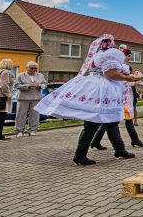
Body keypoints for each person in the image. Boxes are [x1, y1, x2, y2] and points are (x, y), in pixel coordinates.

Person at [35, 35, 136, 165]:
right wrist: (128, 78)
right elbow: (110, 73)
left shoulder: (98, 55)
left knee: (111, 121)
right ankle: (80, 155)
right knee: (92, 123)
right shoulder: (107, 55)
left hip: (95, 85)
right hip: (102, 87)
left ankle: (120, 149)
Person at [91, 51, 143, 149]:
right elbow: (125, 81)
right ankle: (133, 141)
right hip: (122, 97)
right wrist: (138, 79)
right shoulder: (119, 67)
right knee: (122, 120)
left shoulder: (119, 66)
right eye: (128, 56)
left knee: (109, 122)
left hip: (121, 96)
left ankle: (96, 141)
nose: (129, 58)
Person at [14, 61, 46, 137]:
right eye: (31, 68)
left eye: (35, 68)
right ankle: (19, 131)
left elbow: (45, 84)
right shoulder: (20, 75)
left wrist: (40, 86)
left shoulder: (41, 75)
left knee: (34, 115)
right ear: (27, 68)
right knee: (21, 115)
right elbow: (16, 85)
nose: (33, 70)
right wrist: (28, 86)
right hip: (23, 98)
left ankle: (32, 130)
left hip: (36, 97)